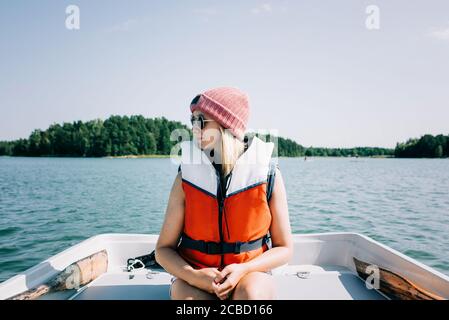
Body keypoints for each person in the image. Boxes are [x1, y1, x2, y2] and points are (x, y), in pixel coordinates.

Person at [155, 87, 293, 300]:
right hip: (197, 275)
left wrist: (243, 270)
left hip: (251, 275)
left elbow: (285, 248)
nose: (194, 128)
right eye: (192, 121)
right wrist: (194, 276)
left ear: (226, 125)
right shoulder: (186, 177)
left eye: (201, 120)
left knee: (250, 295)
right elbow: (163, 250)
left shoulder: (268, 175)